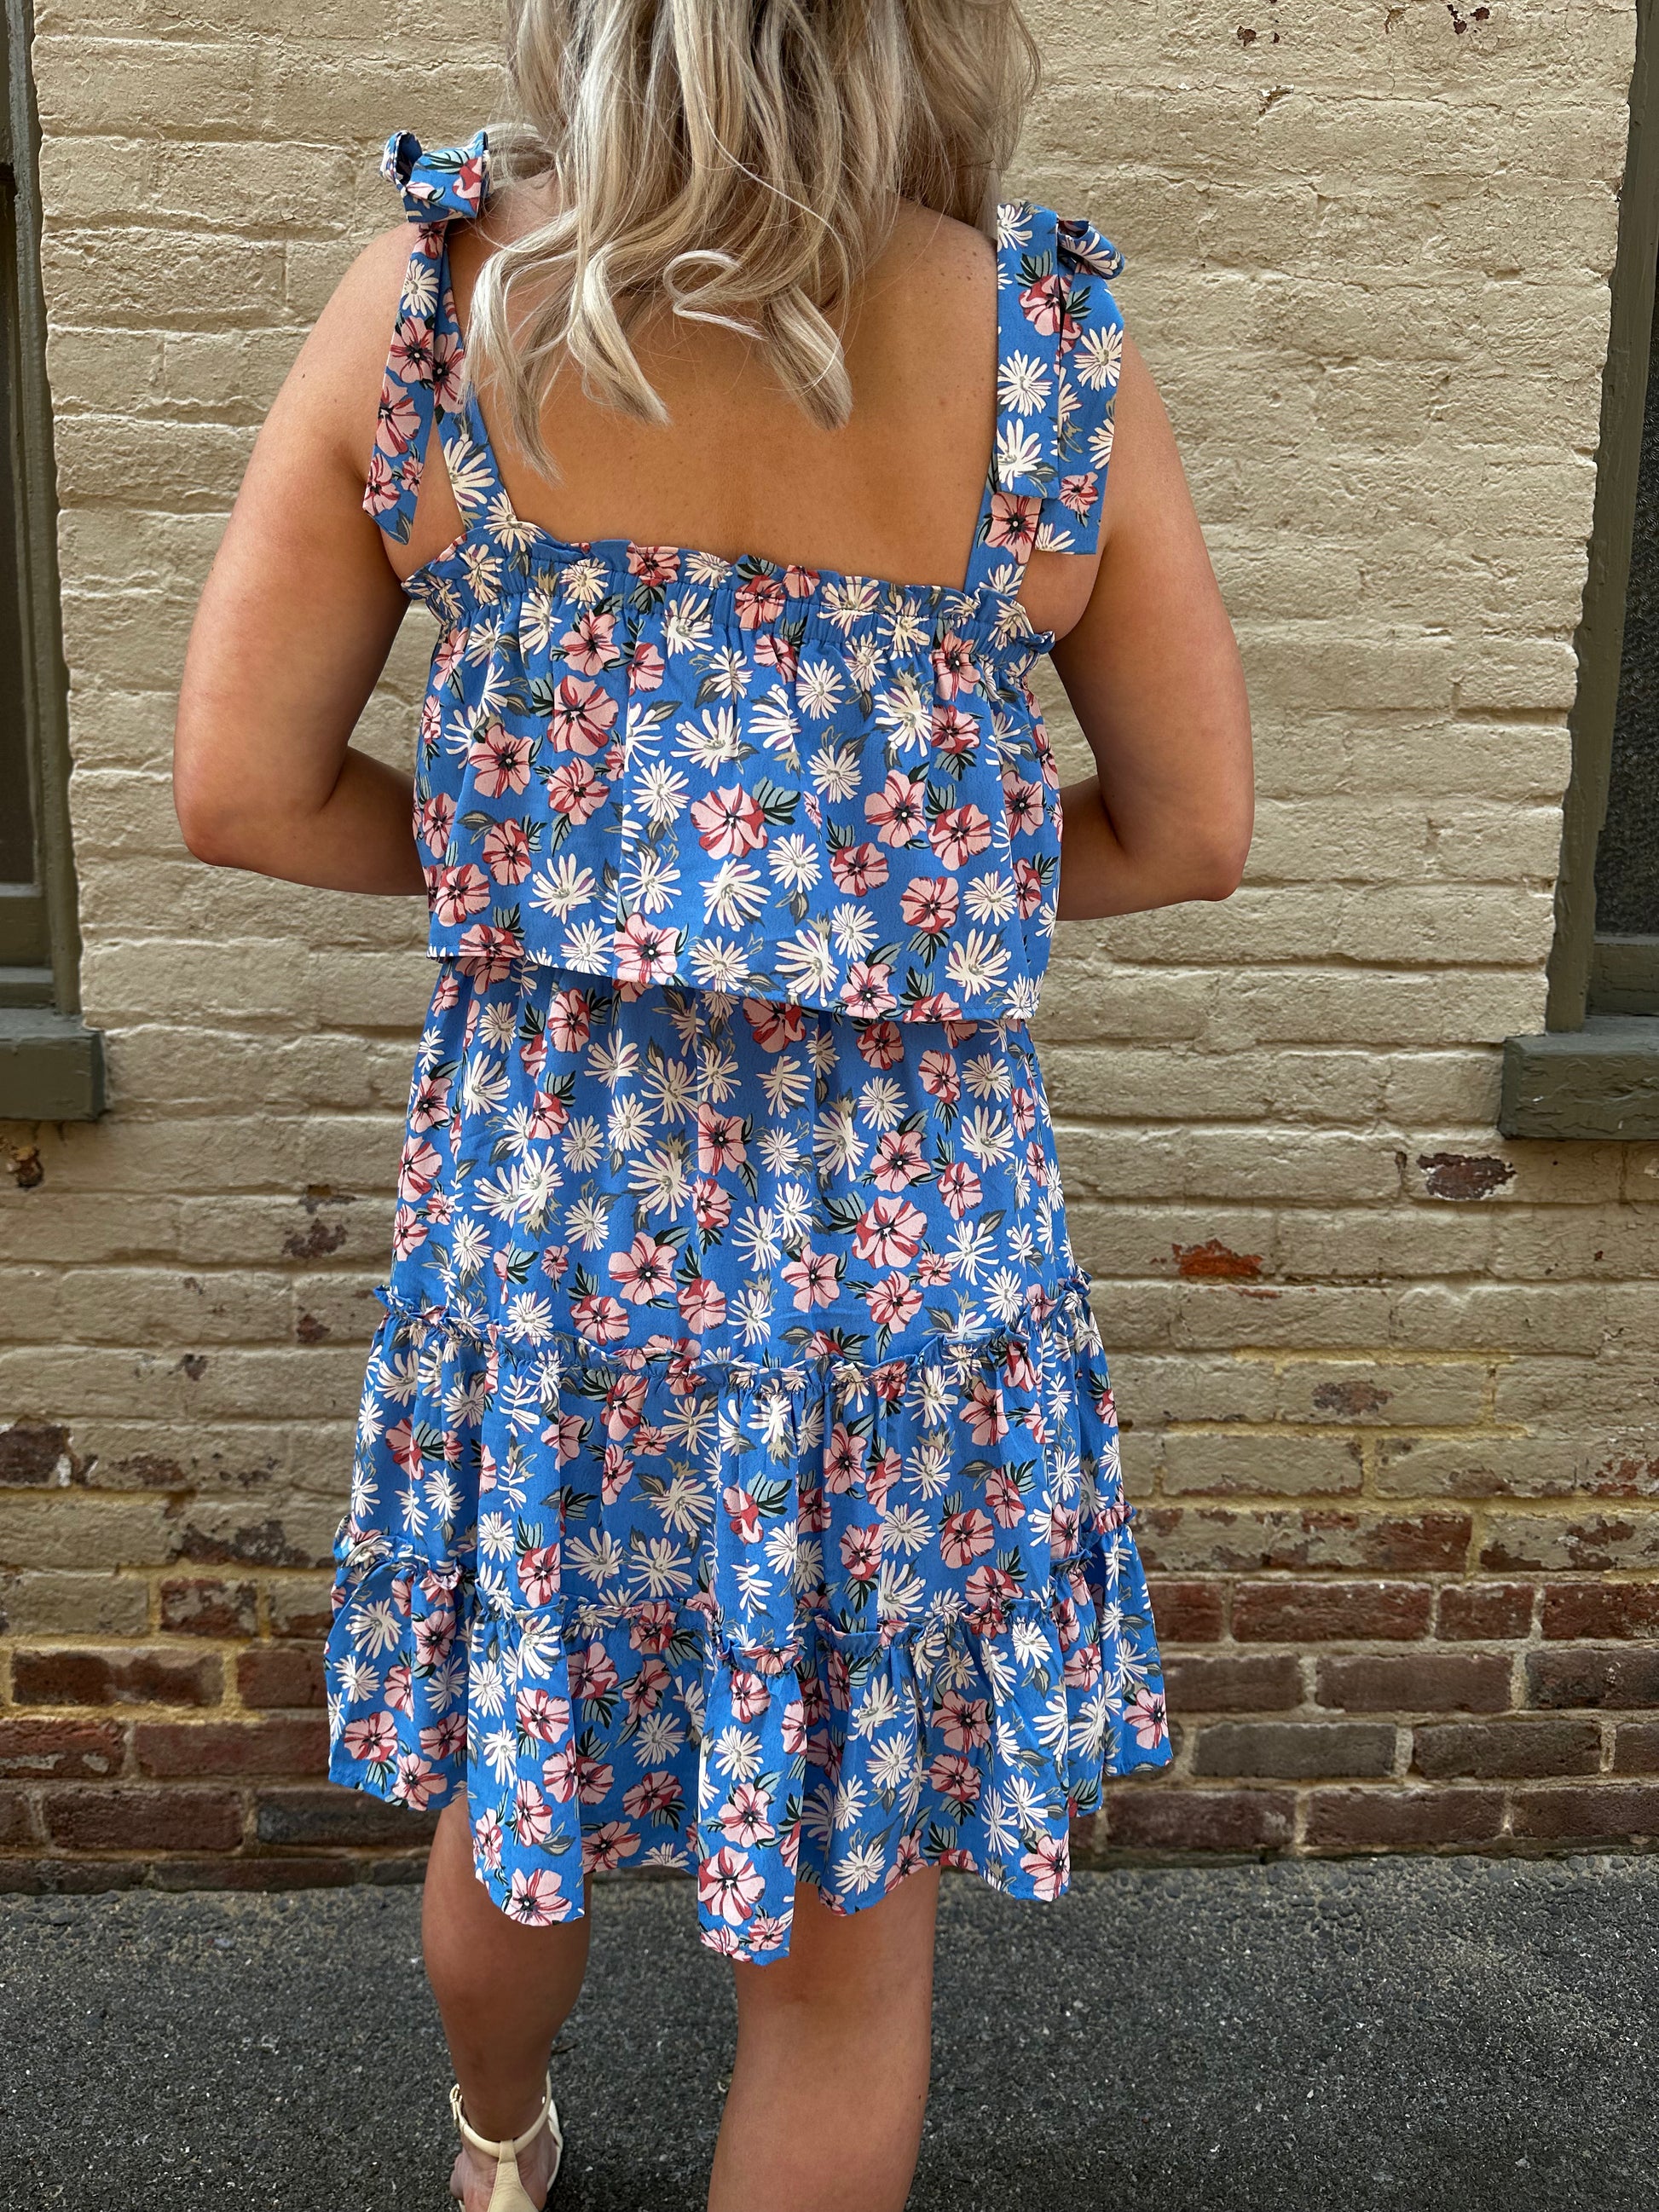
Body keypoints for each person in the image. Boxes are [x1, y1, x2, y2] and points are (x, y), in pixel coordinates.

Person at [173, 3, 1252, 2205]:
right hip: (898, 1270)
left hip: (549, 1230)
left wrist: (573, 874)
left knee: (524, 1764)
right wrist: (870, 886)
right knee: (847, 1941)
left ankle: (497, 2148)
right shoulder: (1043, 347)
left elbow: (243, 790)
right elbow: (1190, 830)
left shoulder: (433, 311)